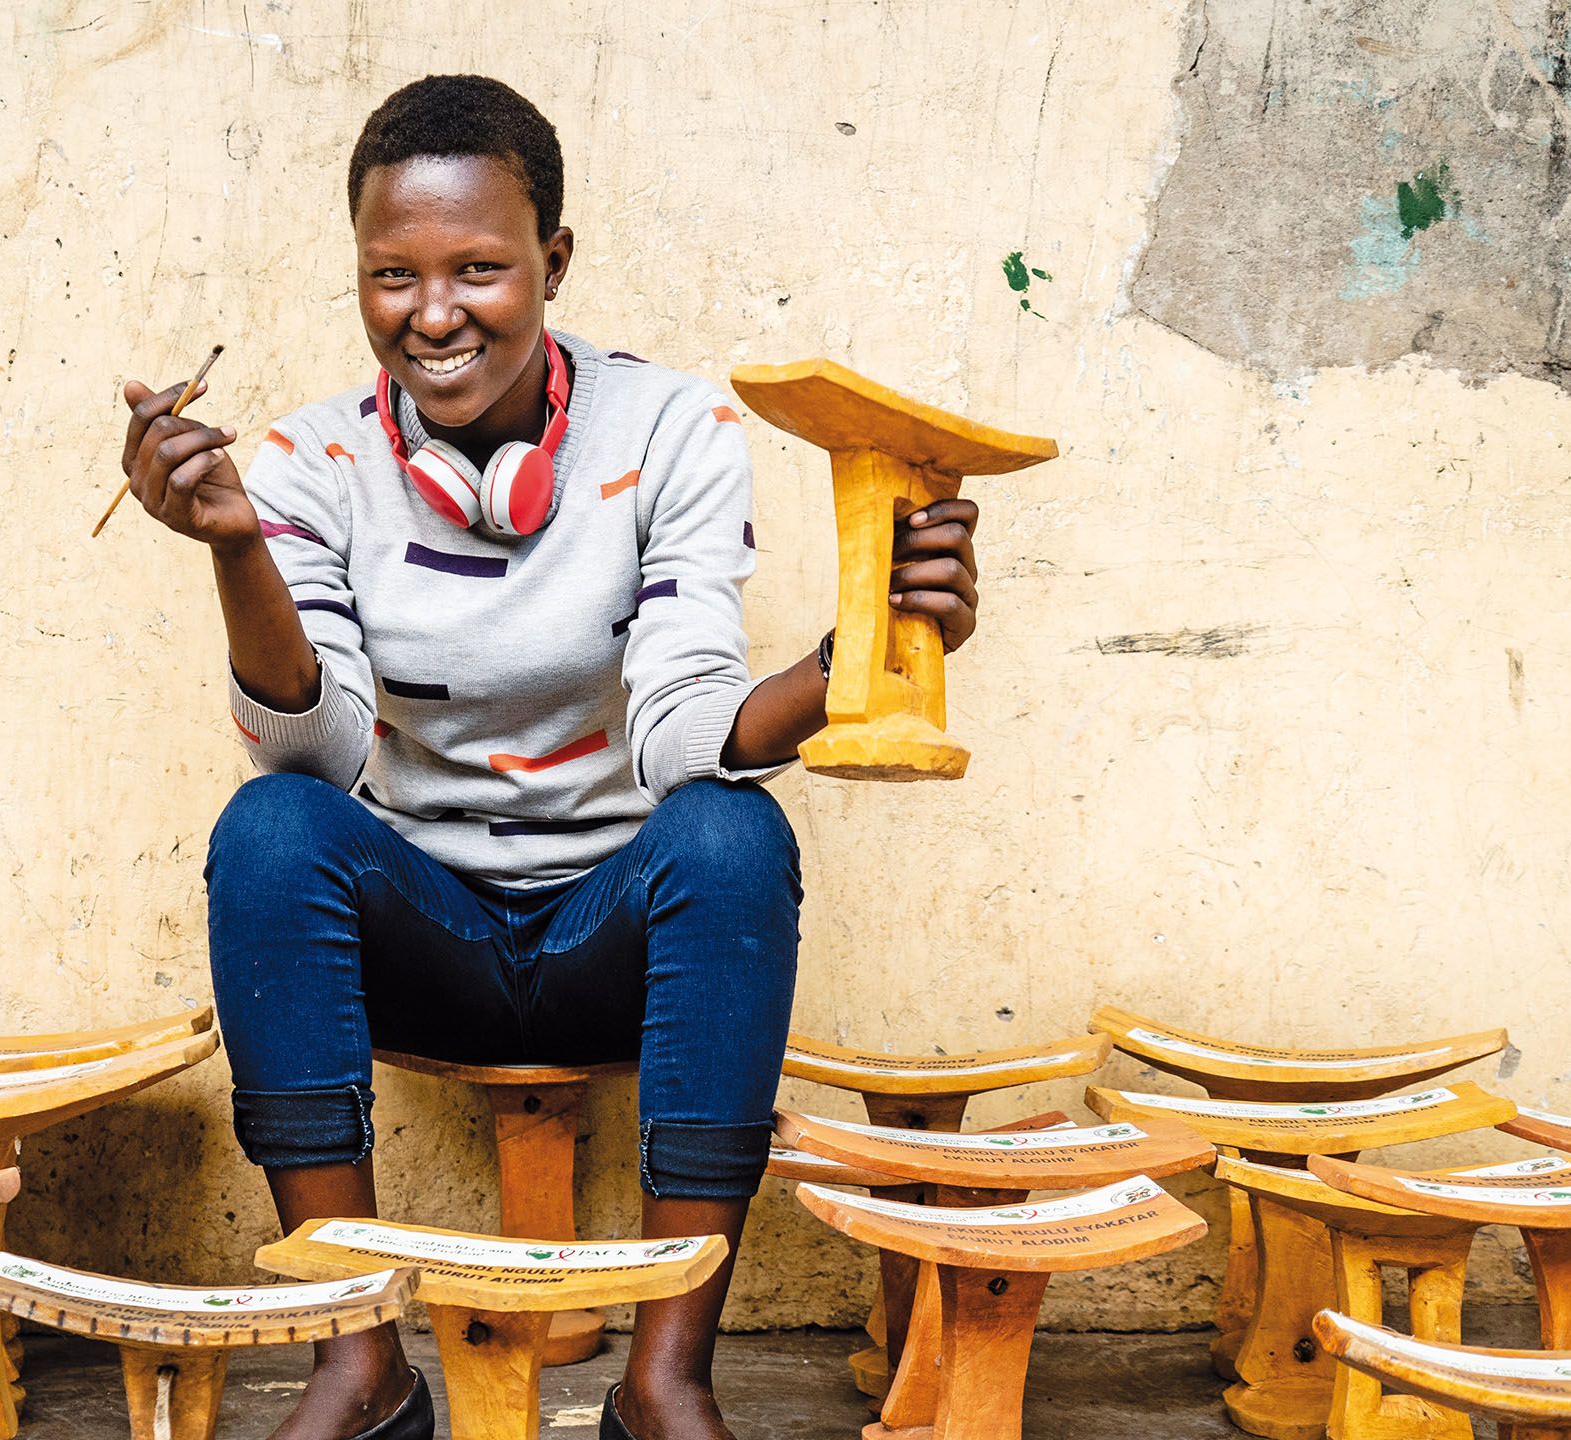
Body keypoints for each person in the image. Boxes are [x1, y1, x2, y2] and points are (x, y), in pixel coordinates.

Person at [118, 74, 981, 1440]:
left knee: (733, 835)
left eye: (478, 269)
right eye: (391, 275)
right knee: (270, 830)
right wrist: (237, 546)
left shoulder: (668, 431)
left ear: (553, 263)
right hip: (426, 939)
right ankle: (360, 1362)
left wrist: (860, 657)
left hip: (616, 950)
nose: (433, 311)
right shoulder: (301, 463)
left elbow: (686, 731)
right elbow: (317, 743)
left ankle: (665, 1376)